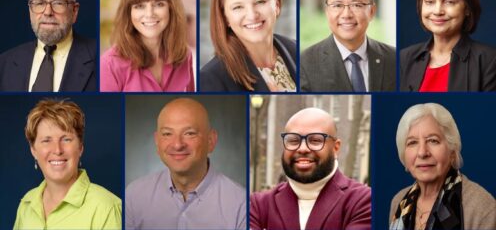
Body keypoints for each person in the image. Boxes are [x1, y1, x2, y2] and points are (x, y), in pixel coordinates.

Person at [125, 98, 246, 229]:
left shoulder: (241, 203)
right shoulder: (134, 196)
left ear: (211, 141)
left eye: (189, 133)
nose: (177, 145)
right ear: (157, 141)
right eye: (167, 134)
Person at [250, 108, 371, 230]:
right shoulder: (258, 205)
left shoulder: (363, 201)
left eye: (315, 140)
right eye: (293, 140)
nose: (302, 149)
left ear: (335, 148)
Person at [14, 99, 121, 229]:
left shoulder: (106, 207)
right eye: (46, 140)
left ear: (80, 147)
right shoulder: (26, 204)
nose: (57, 150)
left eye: (66, 139)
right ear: (33, 150)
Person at [390, 103, 496, 230]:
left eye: (433, 140)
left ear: (452, 150)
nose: (422, 152)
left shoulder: (482, 208)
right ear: (404, 154)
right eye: (412, 143)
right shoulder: (399, 202)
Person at [200, 0, 296, 92]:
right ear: (225, 17)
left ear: (277, 4)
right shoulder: (211, 79)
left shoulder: (296, 51)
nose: (252, 15)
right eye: (238, 7)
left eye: (260, 1)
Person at [400, 0, 496, 92]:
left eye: (449, 1)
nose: (438, 11)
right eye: (429, 1)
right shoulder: (403, 58)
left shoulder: (490, 60)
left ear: (467, 9)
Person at [100, 0, 194, 92]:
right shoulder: (109, 64)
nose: (149, 14)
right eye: (139, 6)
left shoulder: (184, 55)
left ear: (171, 9)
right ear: (129, 12)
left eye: (159, 4)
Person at [301, 0, 396, 92]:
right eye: (337, 5)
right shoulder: (305, 63)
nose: (346, 15)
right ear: (327, 11)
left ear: (372, 11)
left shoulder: (394, 60)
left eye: (356, 5)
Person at [0, 0, 96, 92]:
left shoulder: (99, 60)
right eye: (40, 3)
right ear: (30, 10)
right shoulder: (4, 64)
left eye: (58, 3)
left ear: (74, 11)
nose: (48, 12)